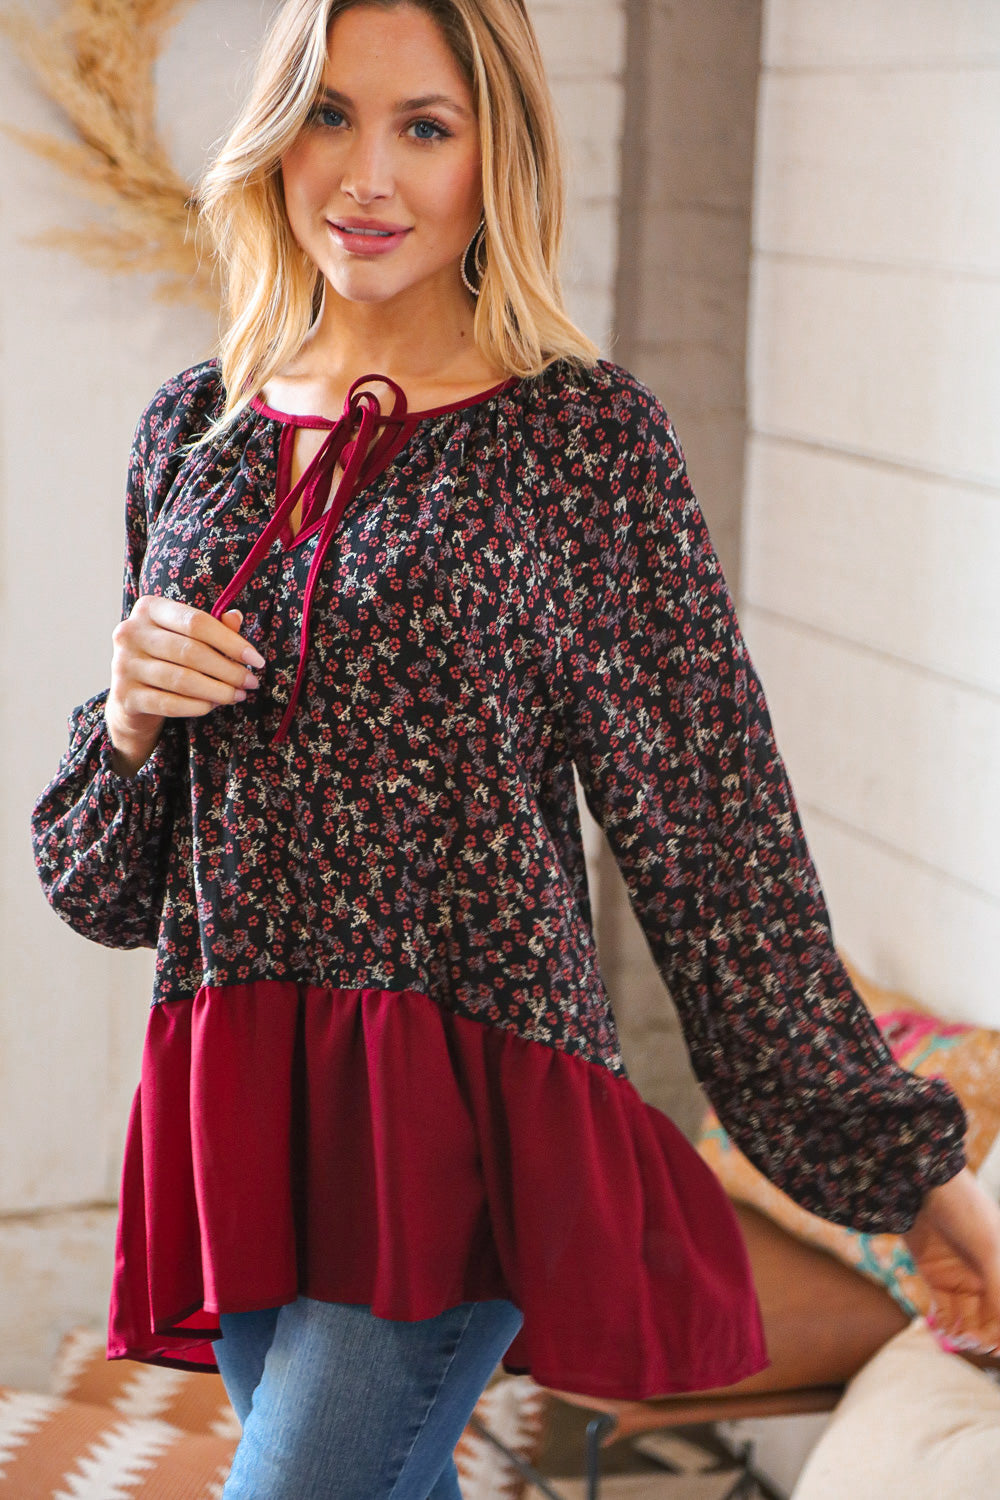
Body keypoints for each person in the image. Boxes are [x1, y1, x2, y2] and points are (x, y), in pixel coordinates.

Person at [30, 0, 1000, 1495]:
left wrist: (913, 1182)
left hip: (457, 1126)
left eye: (424, 127)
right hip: (248, 1108)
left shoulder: (584, 444)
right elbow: (101, 890)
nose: (367, 174)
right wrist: (129, 717)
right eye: (329, 114)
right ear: (275, 137)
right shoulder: (196, 434)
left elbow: (717, 840)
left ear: (500, 159)